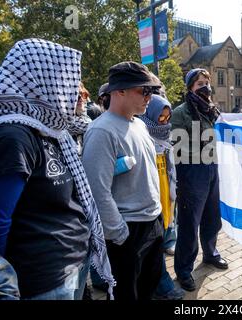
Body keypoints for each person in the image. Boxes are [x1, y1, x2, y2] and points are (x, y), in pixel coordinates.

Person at [0, 38, 114, 300]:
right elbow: (0, 220)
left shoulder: (50, 128)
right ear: (39, 79)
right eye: (69, 81)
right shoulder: (14, 135)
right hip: (43, 279)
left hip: (72, 264)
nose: (75, 91)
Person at [82, 61, 164, 301]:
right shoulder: (101, 131)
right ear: (120, 91)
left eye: (152, 91)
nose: (150, 97)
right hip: (128, 229)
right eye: (144, 90)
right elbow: (97, 191)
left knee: (149, 288)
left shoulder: (139, 124)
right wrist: (119, 234)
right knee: (126, 294)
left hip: (152, 223)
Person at [171, 68, 228, 292]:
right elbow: (178, 148)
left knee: (212, 218)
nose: (205, 87)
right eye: (199, 84)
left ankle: (211, 253)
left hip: (212, 168)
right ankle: (184, 269)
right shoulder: (181, 112)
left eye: (207, 82)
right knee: (188, 224)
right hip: (192, 172)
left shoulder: (212, 111)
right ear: (190, 88)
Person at [139, 94, 184, 300]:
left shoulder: (164, 137)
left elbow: (170, 167)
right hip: (149, 197)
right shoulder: (141, 135)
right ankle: (162, 285)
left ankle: (157, 283)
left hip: (165, 193)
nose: (164, 122)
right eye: (160, 117)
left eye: (167, 118)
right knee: (154, 245)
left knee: (159, 238)